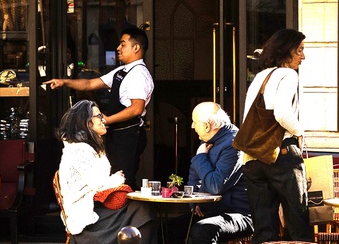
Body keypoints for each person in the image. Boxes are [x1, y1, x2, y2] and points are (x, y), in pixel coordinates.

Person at [45, 26, 153, 187]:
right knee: (113, 178)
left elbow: (136, 108)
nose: (118, 48)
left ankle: (125, 212)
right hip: (116, 134)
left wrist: (107, 120)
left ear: (136, 47)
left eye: (123, 44)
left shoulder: (139, 74)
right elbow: (90, 83)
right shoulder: (122, 71)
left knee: (123, 180)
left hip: (128, 134)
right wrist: (64, 82)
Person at [240, 28, 312, 244]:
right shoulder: (289, 75)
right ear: (286, 51)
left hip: (253, 158)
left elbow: (247, 117)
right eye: (299, 50)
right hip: (281, 154)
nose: (303, 56)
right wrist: (300, 132)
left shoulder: (260, 77)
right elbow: (282, 113)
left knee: (263, 230)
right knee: (298, 224)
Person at [57, 99, 156, 244]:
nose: (103, 119)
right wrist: (117, 179)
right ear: (86, 122)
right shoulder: (79, 149)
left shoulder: (88, 147)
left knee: (141, 210)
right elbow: (98, 184)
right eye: (98, 116)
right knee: (140, 211)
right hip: (86, 214)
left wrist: (113, 179)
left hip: (96, 205)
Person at [168, 102, 252, 244]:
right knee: (168, 228)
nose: (192, 126)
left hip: (237, 213)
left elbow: (215, 186)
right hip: (210, 210)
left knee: (202, 230)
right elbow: (194, 177)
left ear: (207, 126)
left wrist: (201, 157)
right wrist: (194, 204)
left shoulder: (233, 144)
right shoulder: (206, 141)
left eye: (195, 122)